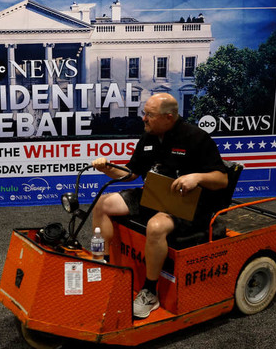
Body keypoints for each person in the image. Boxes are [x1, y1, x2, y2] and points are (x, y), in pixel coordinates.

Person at [90, 93, 227, 318]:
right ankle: (100, 261)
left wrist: (197, 178)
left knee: (155, 226)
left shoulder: (196, 138)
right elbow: (130, 173)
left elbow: (222, 179)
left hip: (187, 205)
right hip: (154, 196)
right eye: (145, 113)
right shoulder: (149, 137)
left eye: (149, 115)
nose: (143, 118)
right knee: (103, 203)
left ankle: (149, 292)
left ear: (169, 117)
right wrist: (107, 168)